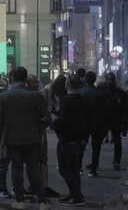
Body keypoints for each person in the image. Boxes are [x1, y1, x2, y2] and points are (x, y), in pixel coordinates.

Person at [0, 68, 50, 210]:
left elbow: (0, 121)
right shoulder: (35, 96)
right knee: (34, 170)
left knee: (16, 169)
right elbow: (46, 118)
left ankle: (20, 200)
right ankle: (42, 201)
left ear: (13, 78)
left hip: (12, 139)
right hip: (33, 138)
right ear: (25, 78)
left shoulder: (4, 97)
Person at [54, 74, 89, 206]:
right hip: (79, 140)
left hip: (67, 139)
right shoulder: (82, 99)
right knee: (74, 169)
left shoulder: (66, 100)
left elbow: (63, 121)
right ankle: (74, 193)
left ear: (68, 84)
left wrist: (53, 122)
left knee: (64, 169)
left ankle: (77, 196)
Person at [28, 75, 60, 199]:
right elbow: (45, 115)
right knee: (40, 160)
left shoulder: (36, 95)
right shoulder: (38, 96)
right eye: (34, 82)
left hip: (28, 133)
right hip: (37, 132)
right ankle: (41, 188)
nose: (37, 83)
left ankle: (34, 186)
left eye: (37, 81)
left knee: (32, 161)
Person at [101, 73, 127, 171]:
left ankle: (116, 161)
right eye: (108, 79)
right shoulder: (103, 92)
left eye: (111, 80)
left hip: (116, 120)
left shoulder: (121, 93)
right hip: (105, 120)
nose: (110, 82)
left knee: (117, 141)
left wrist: (124, 124)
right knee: (98, 142)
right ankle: (95, 163)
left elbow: (125, 110)